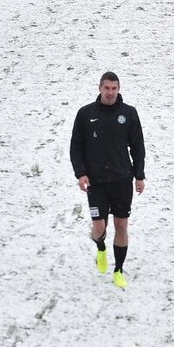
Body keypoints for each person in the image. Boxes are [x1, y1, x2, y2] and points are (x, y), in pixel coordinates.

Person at [69, 72, 146, 288]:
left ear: (119, 89)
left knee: (121, 224)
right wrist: (81, 173)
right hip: (96, 182)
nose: (110, 92)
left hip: (122, 179)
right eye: (107, 88)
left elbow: (138, 147)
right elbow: (76, 147)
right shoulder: (86, 114)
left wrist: (139, 175)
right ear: (100, 88)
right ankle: (101, 248)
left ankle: (119, 269)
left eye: (114, 88)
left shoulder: (129, 114)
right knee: (99, 228)